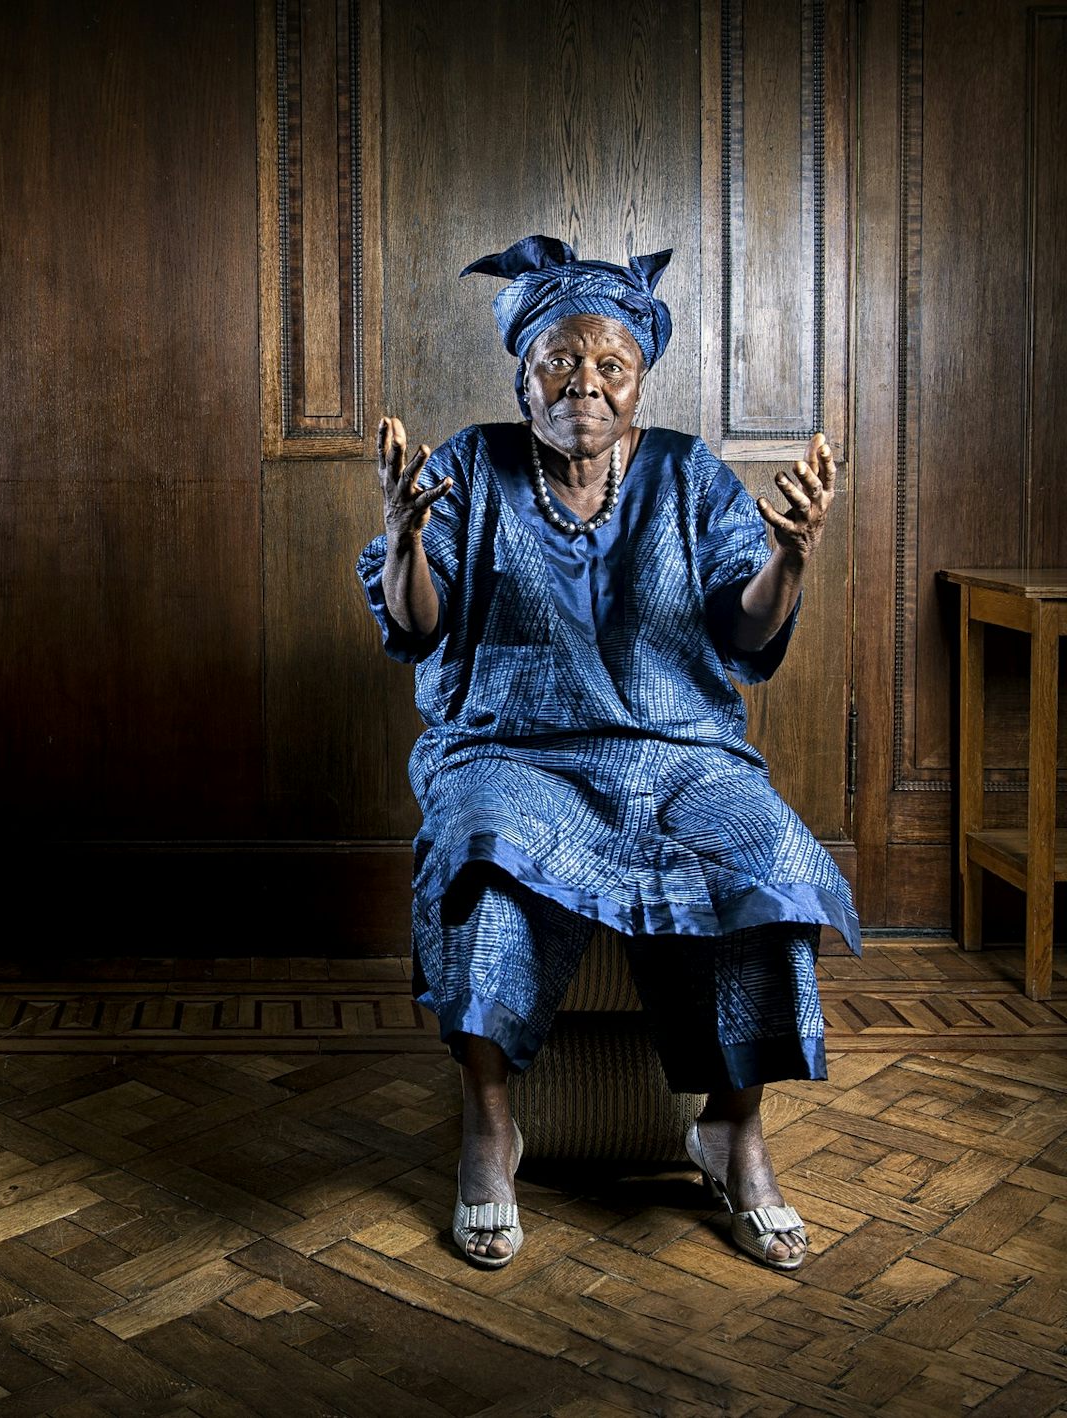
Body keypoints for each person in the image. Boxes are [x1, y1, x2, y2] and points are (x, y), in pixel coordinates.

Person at [357, 234, 859, 1272]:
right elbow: (417, 623)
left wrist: (792, 557)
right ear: (523, 374)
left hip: (679, 749)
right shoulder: (467, 465)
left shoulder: (687, 474)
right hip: (508, 743)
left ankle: (732, 1125)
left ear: (639, 383)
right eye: (559, 363)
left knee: (766, 852)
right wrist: (406, 538)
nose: (583, 382)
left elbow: (745, 632)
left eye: (609, 366)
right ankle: (490, 1122)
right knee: (486, 847)